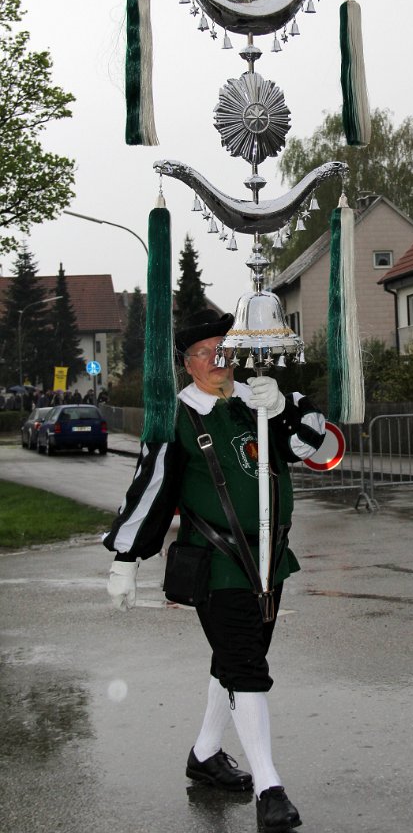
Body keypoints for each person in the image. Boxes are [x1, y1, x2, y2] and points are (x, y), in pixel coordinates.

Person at [104, 309, 325, 832]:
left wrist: (287, 409)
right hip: (217, 564)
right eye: (204, 353)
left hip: (272, 560)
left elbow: (315, 444)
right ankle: (270, 789)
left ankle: (205, 755)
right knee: (245, 666)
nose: (217, 361)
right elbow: (151, 490)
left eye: (223, 349)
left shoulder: (260, 398)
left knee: (235, 660)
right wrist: (126, 560)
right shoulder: (176, 416)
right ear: (187, 365)